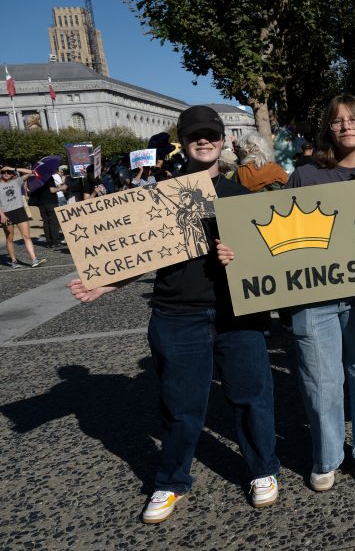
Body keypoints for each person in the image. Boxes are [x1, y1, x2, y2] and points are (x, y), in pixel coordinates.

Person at [67, 105, 280, 524]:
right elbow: (137, 251)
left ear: (224, 142)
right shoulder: (155, 198)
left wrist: (244, 256)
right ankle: (171, 480)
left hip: (239, 315)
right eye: (196, 135)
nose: (205, 141)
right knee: (181, 405)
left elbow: (271, 257)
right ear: (183, 142)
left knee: (251, 397)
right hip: (177, 313)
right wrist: (106, 282)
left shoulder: (243, 197)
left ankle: (263, 469)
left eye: (212, 134)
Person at [268, 94, 355, 492]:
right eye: (337, 121)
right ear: (328, 128)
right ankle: (326, 457)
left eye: (354, 119)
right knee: (319, 379)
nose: (346, 126)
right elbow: (278, 231)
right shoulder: (305, 174)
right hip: (314, 296)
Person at [0, 165, 45, 268]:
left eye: (8, 172)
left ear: (12, 174)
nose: (6, 174)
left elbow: (31, 172)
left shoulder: (16, 181)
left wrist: (13, 169)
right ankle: (14, 261)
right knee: (10, 238)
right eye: (4, 172)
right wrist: (2, 216)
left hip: (20, 211)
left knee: (26, 236)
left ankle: (34, 260)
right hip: (6, 213)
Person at [31, 170, 66, 248]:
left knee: (46, 222)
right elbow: (52, 190)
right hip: (51, 201)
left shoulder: (37, 179)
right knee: (53, 222)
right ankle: (56, 241)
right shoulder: (49, 178)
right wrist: (61, 188)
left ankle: (49, 242)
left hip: (41, 203)